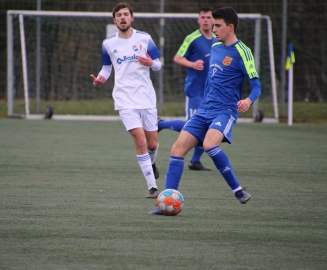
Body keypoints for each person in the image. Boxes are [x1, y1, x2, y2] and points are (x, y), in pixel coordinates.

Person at [150, 7, 262, 214]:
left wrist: (248, 100)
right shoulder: (216, 48)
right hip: (204, 109)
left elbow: (256, 85)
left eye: (218, 25)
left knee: (210, 144)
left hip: (225, 111)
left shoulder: (243, 51)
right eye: (213, 24)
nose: (214, 28)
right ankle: (166, 201)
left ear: (230, 27)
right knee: (177, 150)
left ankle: (237, 190)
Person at [90, 2, 162, 198]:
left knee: (152, 144)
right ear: (114, 20)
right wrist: (100, 80)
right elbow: (106, 68)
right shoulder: (108, 43)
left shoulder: (145, 38)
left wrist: (150, 62)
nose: (122, 18)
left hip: (146, 98)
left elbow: (158, 65)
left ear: (132, 18)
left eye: (125, 14)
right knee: (139, 140)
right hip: (124, 99)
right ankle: (152, 187)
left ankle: (152, 162)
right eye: (119, 15)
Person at [158, 6, 217, 171]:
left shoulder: (216, 40)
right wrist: (192, 64)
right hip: (195, 91)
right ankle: (161, 124)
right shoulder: (192, 38)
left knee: (209, 127)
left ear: (213, 20)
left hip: (211, 92)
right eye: (203, 17)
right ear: (199, 20)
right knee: (191, 126)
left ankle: (195, 161)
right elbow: (177, 57)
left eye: (208, 17)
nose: (206, 20)